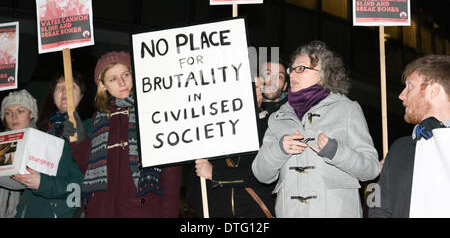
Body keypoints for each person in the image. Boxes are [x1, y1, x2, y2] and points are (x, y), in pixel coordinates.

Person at [252, 40, 380, 218]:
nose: (293, 74)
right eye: (292, 69)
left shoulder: (346, 109)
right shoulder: (278, 117)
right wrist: (279, 149)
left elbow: (371, 169)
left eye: (301, 68)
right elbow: (261, 174)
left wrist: (335, 152)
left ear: (324, 74)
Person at [68, 51, 182, 217]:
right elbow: (89, 169)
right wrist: (78, 139)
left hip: (142, 209)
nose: (122, 82)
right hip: (103, 210)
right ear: (102, 85)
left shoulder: (154, 114)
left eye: (125, 74)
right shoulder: (97, 119)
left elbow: (171, 172)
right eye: (113, 79)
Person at [369, 55, 450, 218]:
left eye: (410, 87)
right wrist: (377, 182)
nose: (402, 95)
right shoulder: (400, 148)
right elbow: (377, 204)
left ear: (433, 91)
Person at [185, 81, 275, 218]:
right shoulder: (211, 129)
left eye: (259, 89)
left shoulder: (271, 127)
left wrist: (216, 174)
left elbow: (264, 175)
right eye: (253, 87)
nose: (258, 94)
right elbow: (196, 180)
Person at [10, 81, 85, 218]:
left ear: (81, 95)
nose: (64, 92)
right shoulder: (43, 131)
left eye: (71, 86)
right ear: (53, 95)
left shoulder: (90, 129)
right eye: (59, 88)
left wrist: (42, 183)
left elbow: (81, 183)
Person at [0, 89, 38, 218]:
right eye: (8, 113)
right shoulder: (2, 143)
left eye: (20, 111)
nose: (14, 117)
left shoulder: (43, 142)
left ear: (31, 114)